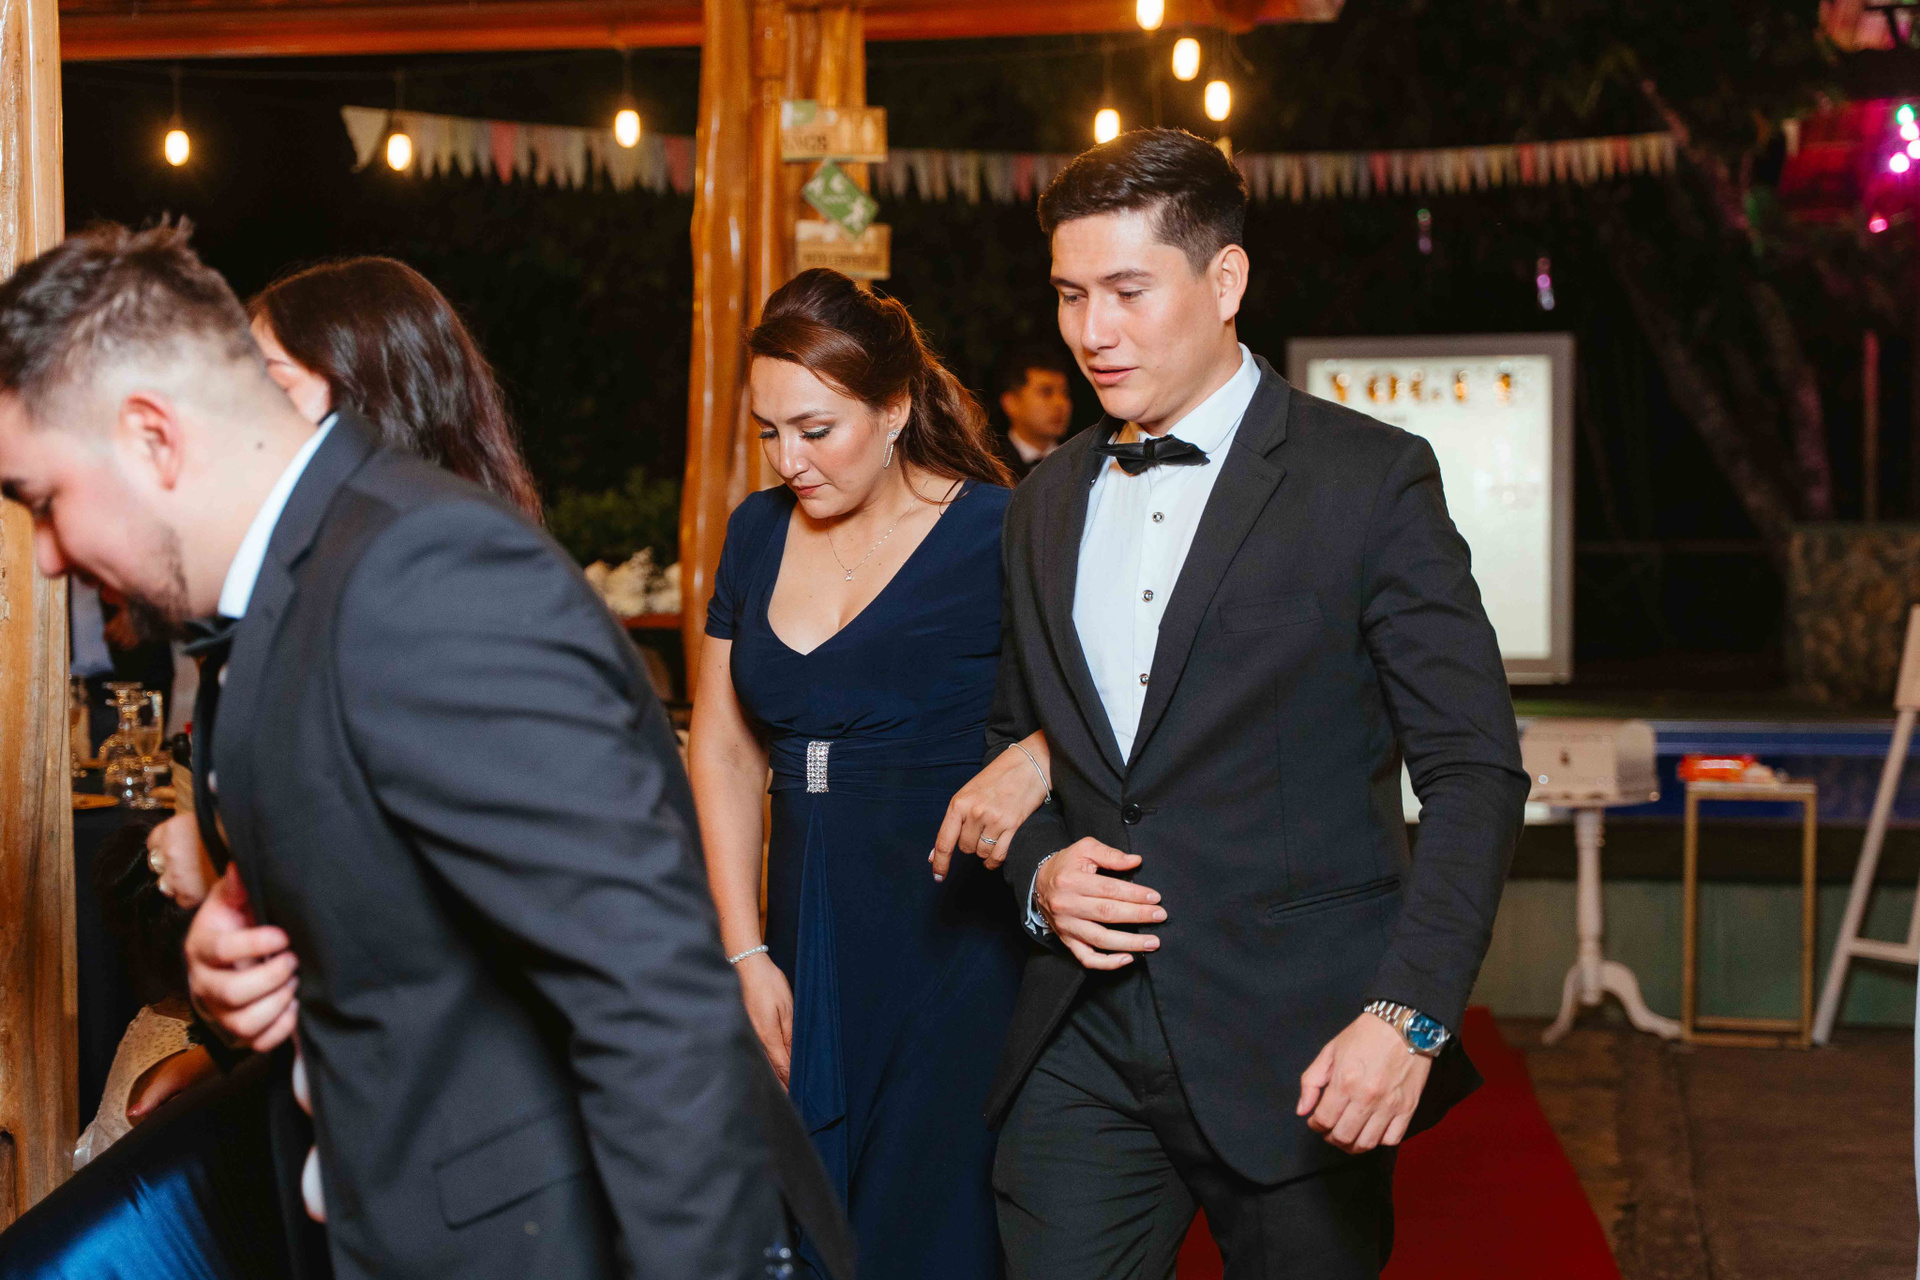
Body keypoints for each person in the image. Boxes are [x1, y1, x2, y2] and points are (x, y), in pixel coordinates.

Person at [0, 222, 848, 1280]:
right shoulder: (278, 597)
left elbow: (650, 999)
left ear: (151, 435)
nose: (46, 556)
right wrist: (237, 962)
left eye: (44, 500)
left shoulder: (425, 573)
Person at [963, 129, 1529, 1279]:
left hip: (1300, 1041)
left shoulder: (1370, 479)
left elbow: (1474, 769)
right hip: (1083, 1039)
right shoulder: (1043, 501)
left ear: (1225, 281)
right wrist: (1039, 872)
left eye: (1128, 290)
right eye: (1070, 294)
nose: (1092, 330)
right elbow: (1018, 740)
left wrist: (1410, 1014)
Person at [688, 267, 1040, 1279]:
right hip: (801, 929)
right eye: (768, 432)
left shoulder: (999, 528)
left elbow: (1106, 702)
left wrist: (1036, 758)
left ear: (893, 410)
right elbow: (723, 747)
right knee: (798, 1226)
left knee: (925, 1231)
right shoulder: (756, 530)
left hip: (952, 933)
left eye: (815, 429)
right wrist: (744, 952)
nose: (788, 459)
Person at [990, 346, 1075, 480]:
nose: (1060, 403)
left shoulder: (1081, 460)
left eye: (1065, 393)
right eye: (1046, 392)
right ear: (1011, 403)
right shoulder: (991, 465)